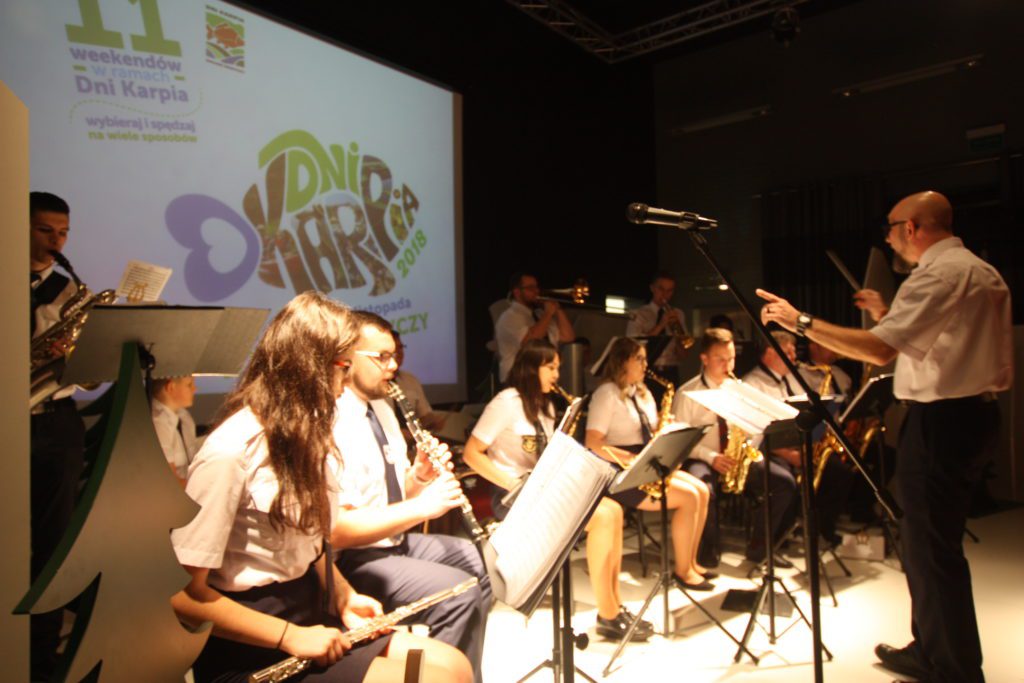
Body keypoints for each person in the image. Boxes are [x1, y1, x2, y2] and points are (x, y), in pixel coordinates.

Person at [758, 190, 1012, 683]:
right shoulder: (979, 270)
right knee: (926, 546)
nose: (889, 239)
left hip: (941, 423)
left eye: (891, 229)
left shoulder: (936, 275)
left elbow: (879, 352)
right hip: (972, 417)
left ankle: (953, 670)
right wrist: (888, 315)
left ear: (911, 228)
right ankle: (932, 650)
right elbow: (940, 340)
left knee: (932, 552)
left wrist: (799, 321)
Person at [170, 292, 470, 683]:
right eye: (342, 367)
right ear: (305, 367)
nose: (345, 384)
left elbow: (307, 544)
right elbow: (182, 596)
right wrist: (290, 636)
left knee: (455, 666)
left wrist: (343, 595)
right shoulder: (230, 451)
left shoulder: (305, 437)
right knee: (435, 680)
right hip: (253, 640)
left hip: (310, 613)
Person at [330, 311, 491, 683]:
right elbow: (338, 530)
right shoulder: (333, 419)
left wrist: (419, 475)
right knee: (458, 595)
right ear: (348, 358)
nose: (393, 366)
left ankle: (465, 675)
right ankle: (440, 674)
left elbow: (392, 491)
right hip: (353, 556)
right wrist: (423, 506)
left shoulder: (383, 408)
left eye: (394, 356)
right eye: (382, 357)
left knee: (475, 558)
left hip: (392, 541)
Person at [463, 339, 654, 641]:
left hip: (539, 490)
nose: (556, 375)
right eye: (550, 367)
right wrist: (513, 484)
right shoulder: (506, 402)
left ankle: (615, 604)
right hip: (511, 495)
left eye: (557, 368)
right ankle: (607, 613)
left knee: (614, 510)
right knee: (603, 517)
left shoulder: (547, 405)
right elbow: (471, 453)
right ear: (531, 367)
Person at [584, 337, 714, 590]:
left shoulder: (643, 392)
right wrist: (631, 459)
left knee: (701, 490)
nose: (646, 365)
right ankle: (683, 571)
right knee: (688, 497)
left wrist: (667, 429)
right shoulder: (606, 394)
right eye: (639, 359)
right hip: (617, 468)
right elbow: (593, 443)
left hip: (644, 459)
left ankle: (692, 562)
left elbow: (652, 430)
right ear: (623, 362)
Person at [29, 191, 86, 682]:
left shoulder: (70, 292)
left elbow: (88, 374)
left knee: (53, 546)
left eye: (63, 233)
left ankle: (42, 657)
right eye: (45, 230)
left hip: (56, 418)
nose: (56, 241)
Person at [737, 330, 801, 564]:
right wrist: (789, 454)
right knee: (784, 483)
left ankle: (784, 537)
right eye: (788, 352)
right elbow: (756, 432)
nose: (794, 357)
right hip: (755, 452)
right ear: (771, 353)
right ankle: (760, 548)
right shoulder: (753, 383)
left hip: (779, 448)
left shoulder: (787, 381)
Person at [494, 272, 574, 382]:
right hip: (518, 380)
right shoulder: (509, 317)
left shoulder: (540, 315)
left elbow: (568, 336)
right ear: (517, 292)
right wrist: (548, 313)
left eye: (536, 287)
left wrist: (558, 309)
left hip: (541, 379)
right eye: (531, 288)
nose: (536, 291)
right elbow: (531, 342)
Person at [626, 271, 691, 386]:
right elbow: (633, 345)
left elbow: (683, 355)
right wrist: (661, 324)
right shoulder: (638, 314)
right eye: (661, 289)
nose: (665, 294)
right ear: (652, 288)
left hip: (671, 370)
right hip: (646, 370)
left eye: (669, 290)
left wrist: (678, 337)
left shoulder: (678, 314)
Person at [385, 329, 445, 433]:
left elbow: (424, 414)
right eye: (394, 349)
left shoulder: (410, 380)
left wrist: (432, 421)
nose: (399, 352)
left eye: (401, 347)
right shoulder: (374, 383)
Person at [150, 375, 199, 485]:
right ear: (171, 387)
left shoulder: (184, 417)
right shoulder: (157, 422)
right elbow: (169, 483)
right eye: (189, 385)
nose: (195, 389)